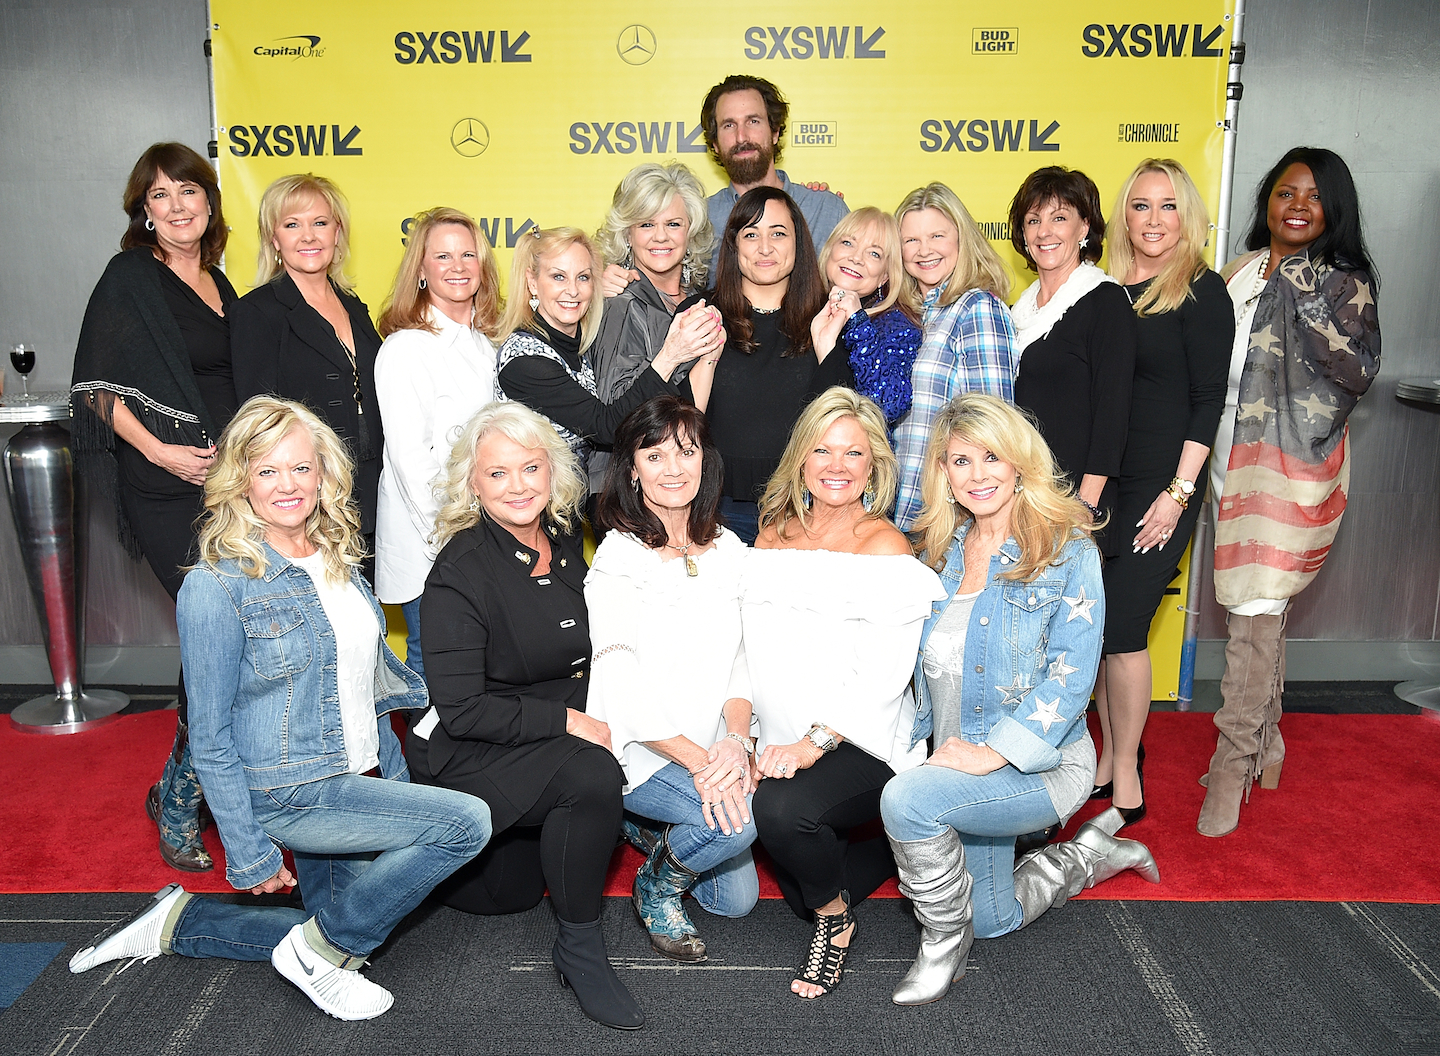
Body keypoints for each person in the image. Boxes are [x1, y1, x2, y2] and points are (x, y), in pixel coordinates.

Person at [67, 397, 491, 1023]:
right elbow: (206, 735)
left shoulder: (342, 559)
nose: (288, 485)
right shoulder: (215, 585)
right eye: (267, 471)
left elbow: (370, 690)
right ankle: (322, 953)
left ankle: (179, 920)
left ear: (325, 473)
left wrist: (397, 786)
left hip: (351, 773)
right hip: (287, 791)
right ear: (239, 480)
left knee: (328, 928)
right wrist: (247, 849)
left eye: (301, 467)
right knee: (465, 824)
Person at [878, 393, 1159, 1007]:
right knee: (995, 918)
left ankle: (942, 939)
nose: (976, 475)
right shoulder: (936, 555)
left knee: (907, 803)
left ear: (1018, 463)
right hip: (956, 756)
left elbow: (1071, 679)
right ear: (943, 474)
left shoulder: (1067, 552)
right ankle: (1086, 857)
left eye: (990, 458)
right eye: (959, 461)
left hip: (1040, 764)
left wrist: (994, 754)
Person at [406, 401, 644, 1030]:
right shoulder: (459, 570)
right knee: (592, 778)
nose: (519, 486)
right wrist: (567, 723)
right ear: (471, 485)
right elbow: (460, 709)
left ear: (553, 471)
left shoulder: (564, 539)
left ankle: (508, 842)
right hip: (472, 749)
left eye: (531, 468)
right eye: (498, 474)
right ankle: (581, 950)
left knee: (510, 896)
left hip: (543, 739)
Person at [1198, 147, 1381, 837]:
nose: (1297, 204)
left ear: (1334, 207)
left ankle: (1231, 763)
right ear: (1267, 202)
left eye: (1312, 194)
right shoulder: (1241, 271)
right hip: (1225, 456)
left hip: (1291, 463)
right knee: (1259, 606)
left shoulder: (1342, 280)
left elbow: (1356, 370)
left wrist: (1298, 290)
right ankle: (1266, 745)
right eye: (1284, 192)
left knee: (1254, 608)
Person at [70, 142, 239, 874]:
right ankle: (179, 796)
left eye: (188, 192)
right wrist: (159, 452)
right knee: (215, 625)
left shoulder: (221, 282)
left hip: (231, 487)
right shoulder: (129, 278)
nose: (176, 207)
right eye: (160, 196)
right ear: (144, 209)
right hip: (167, 487)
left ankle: (183, 785)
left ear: (209, 203)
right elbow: (97, 388)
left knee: (222, 636)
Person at [743, 388, 945, 999]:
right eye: (823, 450)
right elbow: (749, 642)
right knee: (775, 837)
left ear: (874, 466)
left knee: (781, 814)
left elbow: (884, 676)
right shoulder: (771, 533)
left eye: (853, 453)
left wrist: (812, 744)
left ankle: (834, 919)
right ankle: (894, 847)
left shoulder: (884, 546)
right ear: (800, 459)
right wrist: (740, 733)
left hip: (861, 734)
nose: (837, 465)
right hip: (775, 732)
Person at [585, 396, 758, 962]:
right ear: (631, 470)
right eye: (654, 455)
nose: (674, 468)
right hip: (646, 750)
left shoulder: (731, 549)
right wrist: (700, 763)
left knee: (736, 901)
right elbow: (619, 683)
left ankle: (650, 834)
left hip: (714, 746)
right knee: (737, 828)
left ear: (705, 460)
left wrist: (735, 742)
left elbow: (741, 659)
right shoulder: (618, 558)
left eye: (686, 451)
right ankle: (655, 882)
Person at [1087, 160, 1233, 830]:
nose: (1153, 219)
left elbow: (1208, 402)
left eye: (1168, 206)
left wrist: (1179, 492)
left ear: (1189, 216)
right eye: (1140, 205)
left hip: (1162, 487)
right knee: (1095, 630)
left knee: (1124, 627)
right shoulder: (1110, 288)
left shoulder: (1202, 291)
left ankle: (1126, 776)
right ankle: (1111, 750)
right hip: (1105, 482)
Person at [373, 207, 501, 679]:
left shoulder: (489, 346)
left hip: (487, 537)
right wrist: (458, 541)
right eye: (442, 255)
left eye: (468, 254)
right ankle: (422, 757)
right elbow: (412, 463)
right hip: (434, 544)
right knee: (439, 674)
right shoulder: (405, 348)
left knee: (481, 674)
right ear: (421, 270)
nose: (458, 265)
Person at [495, 226, 721, 486]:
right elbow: (607, 427)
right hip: (525, 505)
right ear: (532, 282)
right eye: (558, 277)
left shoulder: (580, 341)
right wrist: (669, 356)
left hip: (564, 508)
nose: (572, 290)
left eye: (583, 277)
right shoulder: (525, 362)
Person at [231, 174, 383, 558]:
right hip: (308, 495)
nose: (309, 236)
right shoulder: (256, 312)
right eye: (292, 225)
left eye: (320, 223)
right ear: (274, 239)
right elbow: (258, 419)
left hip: (374, 486)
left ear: (338, 232)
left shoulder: (354, 305)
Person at [699, 187, 853, 544]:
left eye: (778, 233)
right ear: (734, 245)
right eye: (751, 234)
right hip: (716, 511)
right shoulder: (701, 314)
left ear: (799, 241)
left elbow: (839, 418)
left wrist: (827, 346)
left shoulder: (831, 316)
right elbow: (679, 415)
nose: (764, 247)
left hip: (807, 508)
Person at [1009, 166, 1137, 547]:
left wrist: (1086, 505)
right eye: (1034, 220)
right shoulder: (1019, 311)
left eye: (1059, 218)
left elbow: (1113, 414)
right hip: (1021, 498)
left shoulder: (1106, 301)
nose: (1044, 231)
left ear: (1084, 229)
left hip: (1074, 506)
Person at [891, 183, 1019, 529]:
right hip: (898, 512)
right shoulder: (908, 314)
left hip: (947, 520)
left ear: (961, 239)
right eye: (911, 240)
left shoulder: (977, 309)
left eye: (937, 236)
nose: (924, 250)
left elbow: (992, 429)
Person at [590, 163, 717, 491]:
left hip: (687, 483)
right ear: (628, 234)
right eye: (646, 224)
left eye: (673, 224)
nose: (661, 236)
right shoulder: (620, 302)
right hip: (629, 490)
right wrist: (674, 355)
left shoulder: (702, 300)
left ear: (690, 232)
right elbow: (615, 410)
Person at [699, 74, 848, 276]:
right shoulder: (700, 221)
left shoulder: (826, 211)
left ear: (775, 132)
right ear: (715, 143)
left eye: (753, 121)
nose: (741, 136)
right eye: (729, 125)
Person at [811, 207, 923, 429]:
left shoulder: (896, 326)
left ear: (885, 276)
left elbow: (890, 403)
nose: (856, 258)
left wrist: (857, 323)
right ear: (829, 249)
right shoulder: (802, 310)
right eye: (848, 243)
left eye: (874, 253)